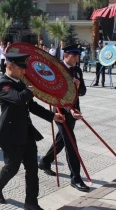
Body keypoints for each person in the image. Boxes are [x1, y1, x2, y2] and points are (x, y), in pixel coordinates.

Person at [0, 53, 65, 210]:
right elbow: (18, 99)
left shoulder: (21, 83)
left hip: (27, 133)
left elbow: (32, 106)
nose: (24, 72)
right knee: (12, 168)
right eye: (21, 68)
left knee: (32, 169)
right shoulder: (3, 84)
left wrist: (52, 116)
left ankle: (31, 202)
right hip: (10, 135)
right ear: (10, 67)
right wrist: (30, 90)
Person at [39, 44, 89, 192]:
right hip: (61, 112)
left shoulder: (77, 70)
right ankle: (76, 178)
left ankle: (44, 161)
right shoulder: (57, 70)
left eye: (77, 56)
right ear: (65, 55)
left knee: (62, 139)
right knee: (71, 144)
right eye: (73, 56)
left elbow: (83, 91)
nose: (76, 59)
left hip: (74, 111)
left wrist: (78, 87)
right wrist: (69, 109)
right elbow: (55, 93)